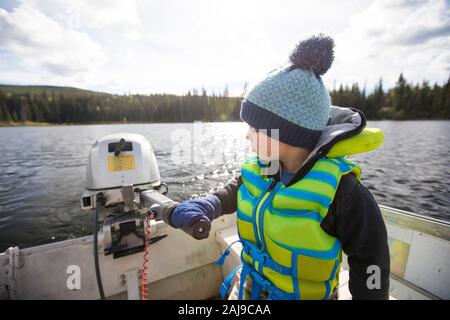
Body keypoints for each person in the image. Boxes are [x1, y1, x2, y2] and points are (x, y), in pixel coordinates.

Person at [169, 34, 390, 300]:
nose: (247, 136)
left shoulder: (344, 193)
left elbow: (372, 257)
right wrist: (209, 204)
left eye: (253, 128)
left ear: (285, 134)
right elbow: (236, 190)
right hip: (252, 287)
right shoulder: (266, 166)